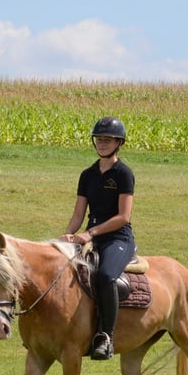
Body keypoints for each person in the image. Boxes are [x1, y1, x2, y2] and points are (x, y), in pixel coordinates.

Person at [61, 116, 136, 360]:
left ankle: (106, 336)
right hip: (89, 237)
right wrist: (68, 235)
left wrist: (90, 233)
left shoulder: (124, 174)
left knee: (105, 276)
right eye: (99, 139)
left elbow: (124, 216)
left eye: (108, 139)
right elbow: (78, 214)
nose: (102, 143)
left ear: (119, 143)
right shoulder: (87, 175)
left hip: (118, 238)